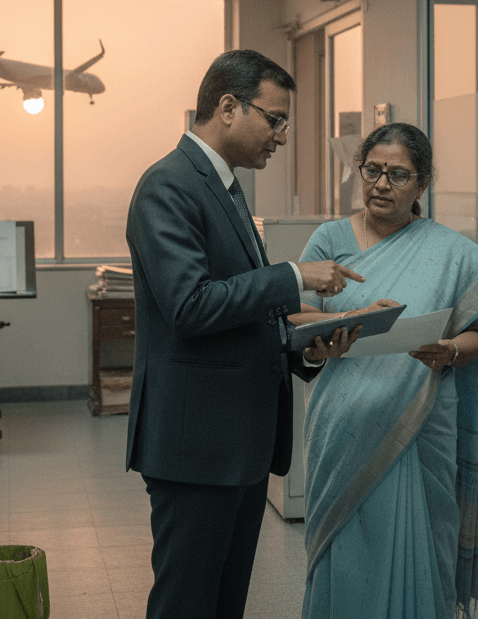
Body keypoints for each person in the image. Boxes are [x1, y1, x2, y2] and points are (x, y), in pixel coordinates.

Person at [125, 49, 364, 619]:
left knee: (223, 603)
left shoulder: (225, 186)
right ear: (229, 107)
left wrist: (309, 341)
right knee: (187, 603)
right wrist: (292, 276)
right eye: (274, 119)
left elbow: (242, 313)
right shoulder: (168, 185)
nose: (281, 136)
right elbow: (190, 306)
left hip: (238, 442)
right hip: (197, 446)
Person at [295, 122, 478, 619]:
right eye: (372, 170)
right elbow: (295, 315)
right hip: (342, 423)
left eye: (397, 175)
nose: (381, 184)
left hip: (421, 425)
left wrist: (450, 350)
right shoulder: (330, 238)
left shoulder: (451, 252)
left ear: (423, 183)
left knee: (422, 548)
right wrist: (346, 322)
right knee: (344, 547)